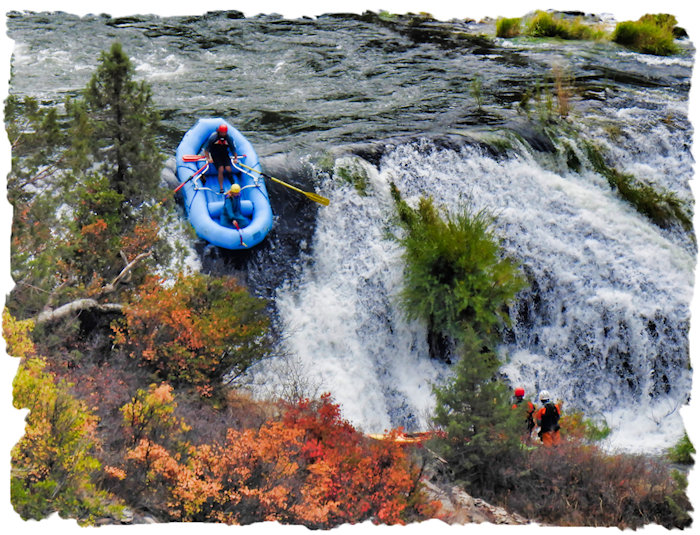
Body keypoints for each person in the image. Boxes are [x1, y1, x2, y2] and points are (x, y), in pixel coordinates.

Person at [204, 123, 239, 194]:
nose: (223, 134)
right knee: (221, 169)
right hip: (215, 155)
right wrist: (208, 158)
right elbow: (206, 149)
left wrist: (235, 158)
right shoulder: (213, 138)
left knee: (228, 168)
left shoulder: (229, 138)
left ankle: (232, 183)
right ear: (219, 132)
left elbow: (233, 149)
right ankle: (221, 188)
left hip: (224, 155)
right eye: (222, 132)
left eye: (224, 132)